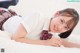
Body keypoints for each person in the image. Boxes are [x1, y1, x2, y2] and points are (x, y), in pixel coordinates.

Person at [1, 8, 80, 48]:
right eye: (61, 21)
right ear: (56, 14)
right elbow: (16, 38)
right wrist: (45, 43)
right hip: (5, 18)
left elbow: (62, 42)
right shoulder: (37, 16)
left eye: (66, 27)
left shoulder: (51, 34)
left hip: (20, 19)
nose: (59, 27)